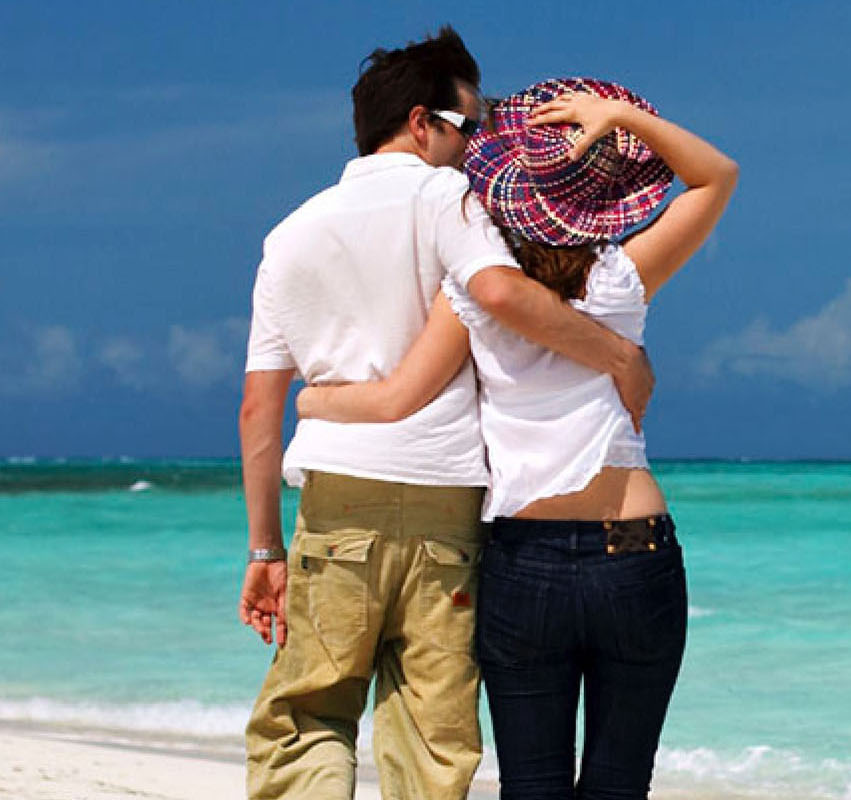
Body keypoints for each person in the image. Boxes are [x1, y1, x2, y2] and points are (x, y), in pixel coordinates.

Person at [237, 30, 654, 800]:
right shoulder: (449, 199)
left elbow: (259, 405)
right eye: (472, 127)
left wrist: (265, 549)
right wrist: (616, 355)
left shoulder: (290, 235)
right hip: (446, 503)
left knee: (309, 716)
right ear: (423, 123)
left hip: (338, 504)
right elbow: (498, 292)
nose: (479, 148)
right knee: (432, 738)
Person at [294, 77, 737, 800]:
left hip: (522, 561)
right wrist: (620, 116)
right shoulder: (621, 279)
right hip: (635, 552)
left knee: (530, 788)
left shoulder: (470, 291)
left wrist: (314, 398)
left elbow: (398, 397)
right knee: (620, 785)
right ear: (603, 198)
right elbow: (717, 174)